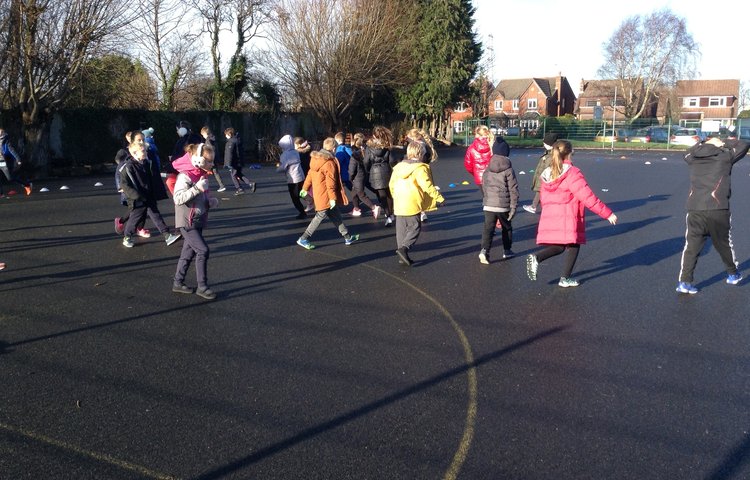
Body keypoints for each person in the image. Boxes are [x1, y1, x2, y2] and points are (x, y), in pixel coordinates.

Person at [525, 139, 617, 287]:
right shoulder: (572, 173)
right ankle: (564, 278)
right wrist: (607, 214)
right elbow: (587, 197)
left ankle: (537, 258)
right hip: (568, 215)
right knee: (574, 243)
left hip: (552, 215)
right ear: (569, 154)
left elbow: (543, 197)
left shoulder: (548, 173)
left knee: (561, 246)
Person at [676, 135, 750, 294]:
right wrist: (724, 141)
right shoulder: (724, 156)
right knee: (724, 244)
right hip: (718, 208)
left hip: (695, 208)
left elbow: (687, 153)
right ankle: (732, 274)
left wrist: (704, 142)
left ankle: (684, 282)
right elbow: (744, 144)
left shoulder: (693, 157)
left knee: (691, 247)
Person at [171, 143, 220, 300]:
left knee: (187, 253)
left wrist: (209, 201)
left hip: (197, 220)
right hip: (187, 221)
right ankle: (202, 286)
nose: (212, 164)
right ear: (198, 160)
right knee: (203, 250)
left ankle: (178, 282)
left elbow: (201, 196)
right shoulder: (185, 176)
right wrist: (197, 189)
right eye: (209, 161)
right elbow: (178, 198)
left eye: (213, 161)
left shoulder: (200, 174)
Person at [296, 138, 359, 250]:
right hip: (326, 196)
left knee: (336, 216)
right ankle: (303, 238)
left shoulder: (316, 159)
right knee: (319, 217)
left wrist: (305, 188)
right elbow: (331, 183)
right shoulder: (329, 162)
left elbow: (310, 175)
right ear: (333, 148)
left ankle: (347, 237)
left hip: (320, 194)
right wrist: (332, 198)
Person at [389, 141, 444, 266]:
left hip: (399, 201)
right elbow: (427, 186)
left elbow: (391, 184)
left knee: (401, 230)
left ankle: (401, 254)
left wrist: (395, 196)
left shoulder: (398, 167)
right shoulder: (420, 168)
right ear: (420, 154)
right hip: (412, 201)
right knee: (415, 227)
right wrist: (439, 198)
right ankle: (404, 248)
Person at [119, 142, 182, 248]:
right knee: (135, 218)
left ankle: (167, 235)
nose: (145, 152)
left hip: (148, 196)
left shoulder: (146, 163)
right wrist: (136, 196)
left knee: (156, 215)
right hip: (137, 199)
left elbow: (151, 178)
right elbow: (124, 184)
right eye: (143, 151)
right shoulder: (128, 167)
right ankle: (127, 236)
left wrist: (155, 191)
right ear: (135, 153)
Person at [478, 147, 519, 264]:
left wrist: (486, 199)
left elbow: (484, 185)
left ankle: (484, 250)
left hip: (489, 204)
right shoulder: (509, 170)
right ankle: (507, 250)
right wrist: (513, 206)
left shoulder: (488, 168)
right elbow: (513, 189)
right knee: (506, 227)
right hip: (503, 205)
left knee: (488, 228)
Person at [404, 128, 438, 222]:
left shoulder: (416, 147)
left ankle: (419, 211)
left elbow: (412, 159)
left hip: (417, 170)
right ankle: (422, 212)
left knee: (417, 190)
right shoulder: (425, 145)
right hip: (424, 170)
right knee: (422, 191)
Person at [363, 126, 395, 226]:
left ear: (373, 136)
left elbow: (366, 161)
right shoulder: (386, 147)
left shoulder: (369, 147)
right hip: (386, 170)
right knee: (389, 194)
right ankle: (391, 213)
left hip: (374, 171)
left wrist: (368, 170)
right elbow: (392, 160)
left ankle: (388, 215)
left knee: (382, 196)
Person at [523, 132, 560, 214]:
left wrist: (544, 177)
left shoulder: (551, 156)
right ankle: (535, 206)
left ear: (550, 144)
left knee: (542, 192)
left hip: (545, 179)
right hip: (543, 177)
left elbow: (548, 168)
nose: (543, 144)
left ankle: (535, 207)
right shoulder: (548, 153)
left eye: (545, 143)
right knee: (540, 192)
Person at [277, 134, 308, 219]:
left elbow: (283, 167)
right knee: (301, 192)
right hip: (300, 176)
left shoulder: (285, 155)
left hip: (292, 178)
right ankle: (311, 200)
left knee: (295, 197)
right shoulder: (295, 152)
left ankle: (302, 212)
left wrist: (278, 169)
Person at [348, 132, 378, 217]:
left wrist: (350, 177)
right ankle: (356, 208)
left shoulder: (354, 155)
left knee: (361, 195)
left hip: (357, 177)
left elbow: (352, 169)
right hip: (364, 174)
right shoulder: (366, 151)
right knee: (354, 194)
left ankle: (373, 207)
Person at [224, 127, 256, 195]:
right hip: (239, 161)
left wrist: (228, 164)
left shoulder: (230, 142)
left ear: (229, 134)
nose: (225, 136)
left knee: (233, 175)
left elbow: (229, 154)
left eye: (226, 135)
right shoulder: (237, 140)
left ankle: (239, 188)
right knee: (238, 174)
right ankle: (250, 183)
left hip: (234, 162)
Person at [0, 128, 32, 196]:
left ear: (3, 133)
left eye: (1, 132)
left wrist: (18, 159)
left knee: (10, 178)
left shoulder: (6, 142)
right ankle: (1, 194)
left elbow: (12, 151)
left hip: (5, 162)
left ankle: (27, 184)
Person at [463, 125, 494, 195]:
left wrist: (475, 172)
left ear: (476, 135)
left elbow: (468, 165)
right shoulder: (493, 145)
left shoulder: (471, 148)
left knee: (486, 197)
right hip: (494, 176)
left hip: (480, 177)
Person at [200, 126, 227, 192]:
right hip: (214, 159)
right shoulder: (212, 139)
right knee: (215, 172)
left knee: (206, 172)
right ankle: (221, 185)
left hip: (210, 159)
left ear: (206, 134)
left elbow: (210, 150)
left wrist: (209, 159)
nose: (203, 136)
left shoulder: (208, 141)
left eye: (203, 135)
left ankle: (221, 185)